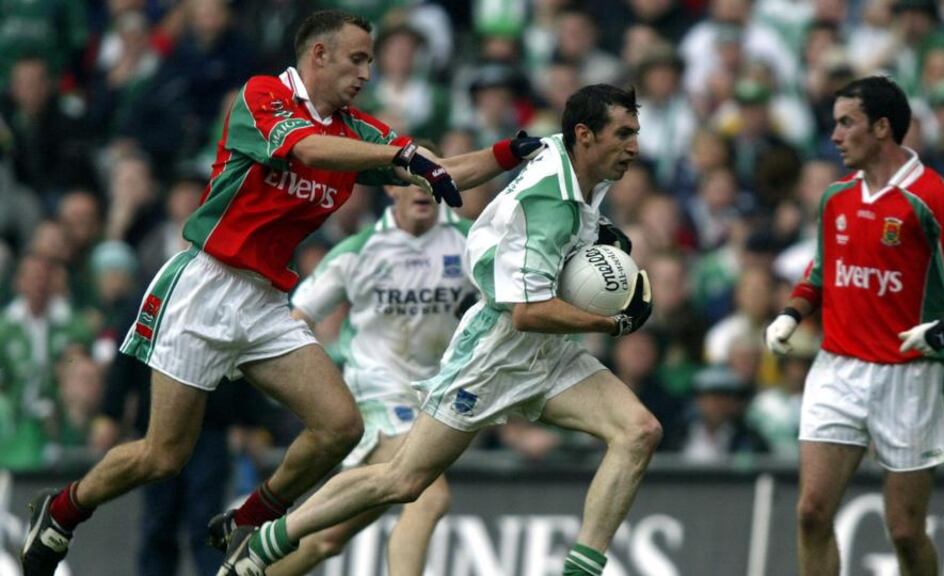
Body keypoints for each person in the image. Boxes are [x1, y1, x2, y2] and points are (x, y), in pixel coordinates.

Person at [20, 10, 542, 575]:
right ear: (318, 55)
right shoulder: (263, 95)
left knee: (340, 427)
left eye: (370, 61)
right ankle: (63, 511)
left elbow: (439, 170)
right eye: (357, 59)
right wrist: (402, 157)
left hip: (266, 301)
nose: (365, 72)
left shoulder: (358, 131)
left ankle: (250, 516)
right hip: (205, 288)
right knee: (163, 455)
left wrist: (510, 154)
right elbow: (309, 152)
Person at [218, 84, 659, 576]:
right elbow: (527, 313)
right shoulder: (547, 204)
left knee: (638, 431)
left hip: (546, 352)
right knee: (406, 483)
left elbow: (467, 184)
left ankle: (581, 571)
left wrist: (592, 235)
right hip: (493, 353)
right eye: (623, 133)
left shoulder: (573, 159)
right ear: (585, 134)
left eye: (635, 133)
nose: (634, 146)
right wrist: (612, 321)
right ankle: (268, 541)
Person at [764, 76, 944, 576]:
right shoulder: (835, 197)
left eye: (846, 123)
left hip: (908, 376)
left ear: (881, 128)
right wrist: (792, 312)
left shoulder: (932, 197)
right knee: (812, 512)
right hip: (837, 368)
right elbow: (822, 270)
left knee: (904, 529)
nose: (834, 135)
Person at [268, 183, 475, 575]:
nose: (425, 188)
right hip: (375, 389)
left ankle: (244, 568)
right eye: (415, 179)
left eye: (436, 179)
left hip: (433, 400)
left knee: (325, 539)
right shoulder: (358, 251)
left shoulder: (470, 242)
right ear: (391, 187)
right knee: (428, 496)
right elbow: (296, 320)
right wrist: (308, 391)